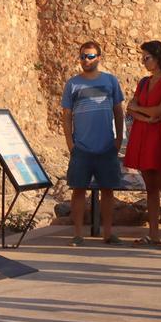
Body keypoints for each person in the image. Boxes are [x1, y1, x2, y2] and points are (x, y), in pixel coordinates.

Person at [61, 41, 126, 246]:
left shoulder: (110, 81)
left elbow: (118, 111)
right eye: (82, 57)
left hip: (106, 146)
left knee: (108, 190)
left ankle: (108, 233)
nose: (86, 60)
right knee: (78, 190)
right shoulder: (72, 84)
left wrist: (118, 139)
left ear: (98, 58)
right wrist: (70, 143)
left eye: (90, 56)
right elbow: (66, 115)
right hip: (81, 148)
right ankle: (77, 234)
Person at [124, 39, 161, 247]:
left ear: (158, 58)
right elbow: (130, 108)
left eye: (146, 58)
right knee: (150, 188)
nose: (143, 61)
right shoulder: (144, 82)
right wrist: (147, 118)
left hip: (160, 137)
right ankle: (153, 233)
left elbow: (160, 111)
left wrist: (143, 112)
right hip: (143, 135)